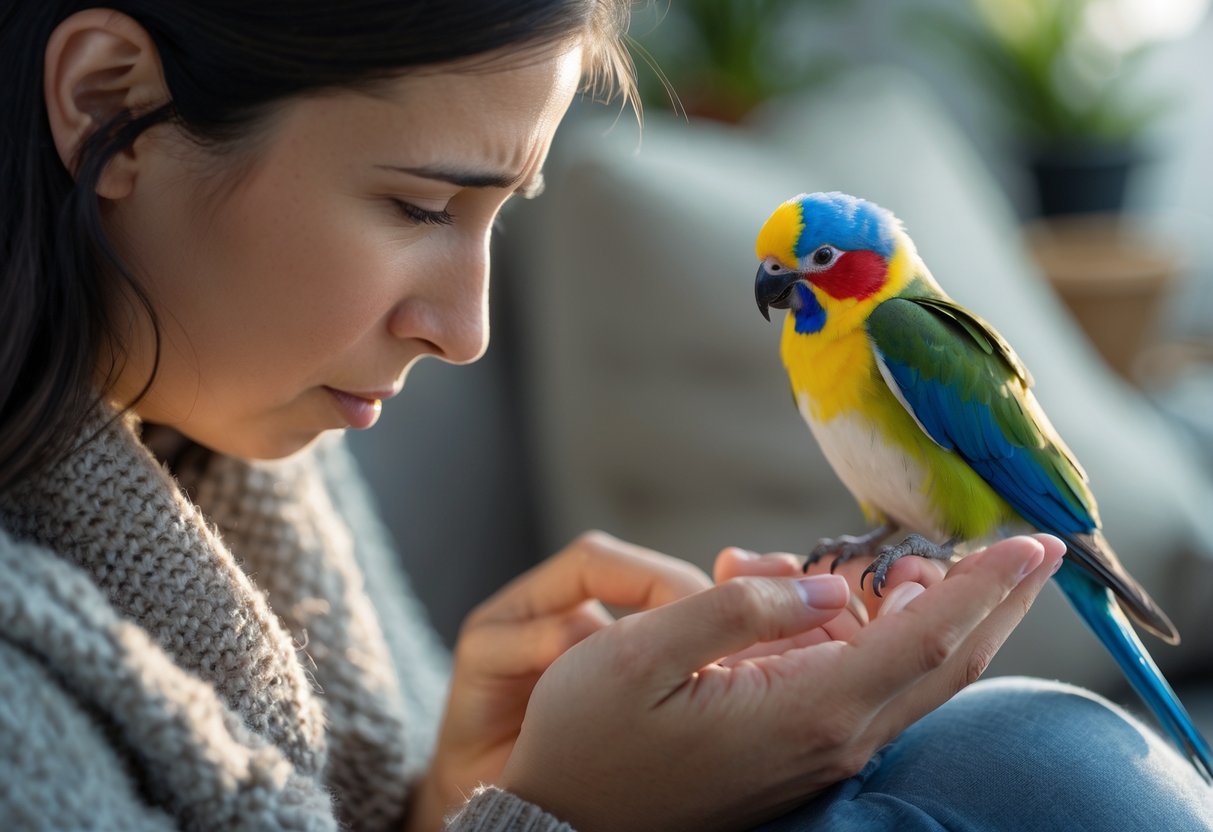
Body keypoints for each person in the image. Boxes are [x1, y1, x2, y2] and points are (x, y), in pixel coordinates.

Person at [0, 2, 1209, 830]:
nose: (467, 332)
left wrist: (456, 788)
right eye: (421, 206)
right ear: (108, 102)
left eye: (500, 215)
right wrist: (558, 814)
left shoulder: (259, 452)